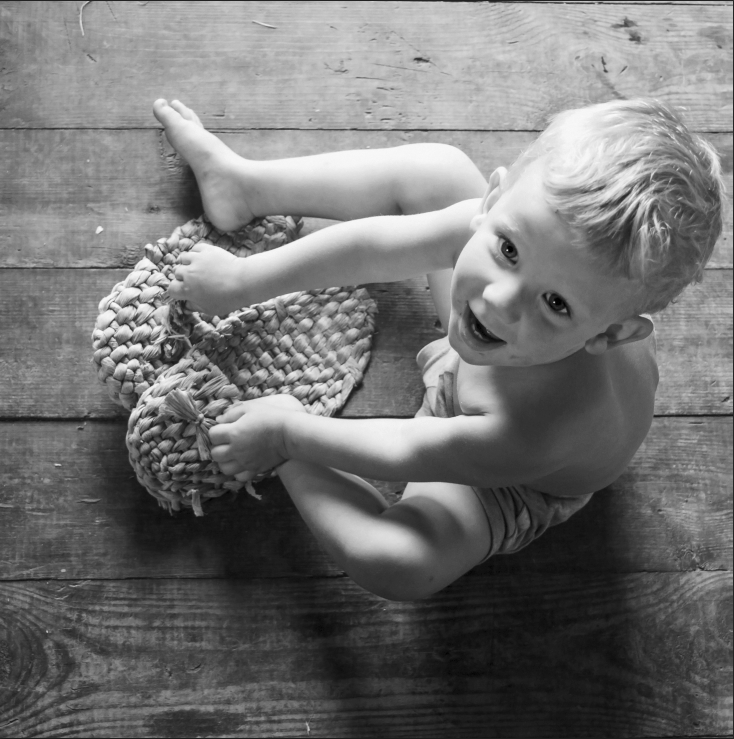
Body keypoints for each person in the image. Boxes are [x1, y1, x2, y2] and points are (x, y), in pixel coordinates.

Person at [154, 97, 724, 601]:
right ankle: (246, 185)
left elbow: (406, 448)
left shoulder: (541, 427)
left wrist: (287, 436)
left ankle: (286, 445)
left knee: (402, 563)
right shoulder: (513, 242)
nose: (498, 300)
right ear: (495, 199)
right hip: (512, 358)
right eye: (507, 250)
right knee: (439, 169)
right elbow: (373, 247)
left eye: (556, 303)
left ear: (607, 336)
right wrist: (243, 280)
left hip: (508, 472)